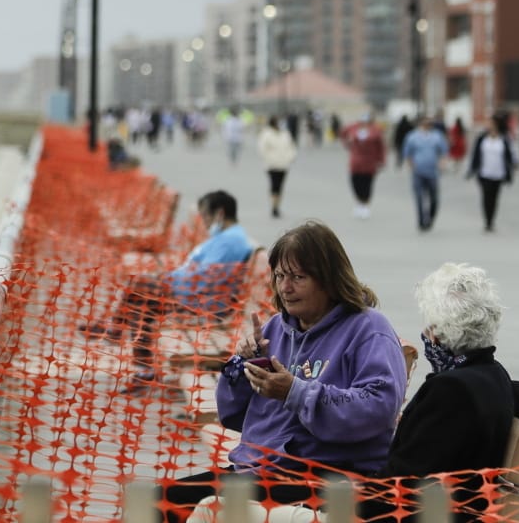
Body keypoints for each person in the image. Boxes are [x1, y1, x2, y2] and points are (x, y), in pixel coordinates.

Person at [160, 220, 409, 523]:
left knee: (195, 506)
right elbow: (232, 415)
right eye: (279, 276)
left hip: (323, 474)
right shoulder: (276, 328)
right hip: (262, 469)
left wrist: (295, 391)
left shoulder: (368, 328)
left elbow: (377, 407)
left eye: (298, 277)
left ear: (329, 280)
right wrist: (240, 368)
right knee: (158, 502)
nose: (285, 288)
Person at [360, 262, 519, 522]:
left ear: (436, 334)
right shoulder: (493, 375)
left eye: (428, 326)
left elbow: (401, 483)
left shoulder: (449, 391)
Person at [107, 190, 254, 390]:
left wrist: (168, 281)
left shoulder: (230, 240)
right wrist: (167, 279)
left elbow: (205, 277)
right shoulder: (225, 237)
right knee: (142, 296)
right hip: (193, 292)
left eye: (206, 216)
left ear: (219, 213)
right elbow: (197, 273)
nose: (204, 222)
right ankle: (131, 351)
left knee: (141, 289)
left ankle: (122, 338)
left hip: (205, 300)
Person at [465, 111, 519, 232]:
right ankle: (487, 221)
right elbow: (475, 155)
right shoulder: (482, 138)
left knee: (494, 198)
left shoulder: (504, 139)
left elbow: (512, 153)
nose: (488, 125)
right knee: (485, 196)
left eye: (491, 123)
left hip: (498, 173)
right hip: (484, 172)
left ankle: (491, 220)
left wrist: (515, 164)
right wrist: (471, 170)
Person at [402, 116, 448, 231]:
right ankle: (421, 221)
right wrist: (411, 165)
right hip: (418, 171)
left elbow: (443, 151)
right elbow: (407, 153)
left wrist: (442, 163)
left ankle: (430, 217)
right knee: (419, 197)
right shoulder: (412, 136)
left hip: (432, 172)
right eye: (426, 122)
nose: (428, 124)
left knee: (434, 198)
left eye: (430, 123)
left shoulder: (437, 136)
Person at [339, 113, 387, 219]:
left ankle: (365, 205)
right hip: (355, 162)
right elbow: (343, 132)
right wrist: (347, 143)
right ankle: (359, 202)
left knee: (367, 184)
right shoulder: (354, 128)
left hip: (370, 162)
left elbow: (381, 147)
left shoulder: (376, 131)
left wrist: (381, 160)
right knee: (355, 183)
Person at [256, 115, 297, 218]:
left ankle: (277, 206)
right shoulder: (266, 134)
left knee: (280, 186)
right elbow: (262, 148)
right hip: (272, 164)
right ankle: (274, 207)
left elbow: (291, 146)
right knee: (274, 185)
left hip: (283, 164)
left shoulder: (285, 134)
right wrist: (268, 158)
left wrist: (290, 157)